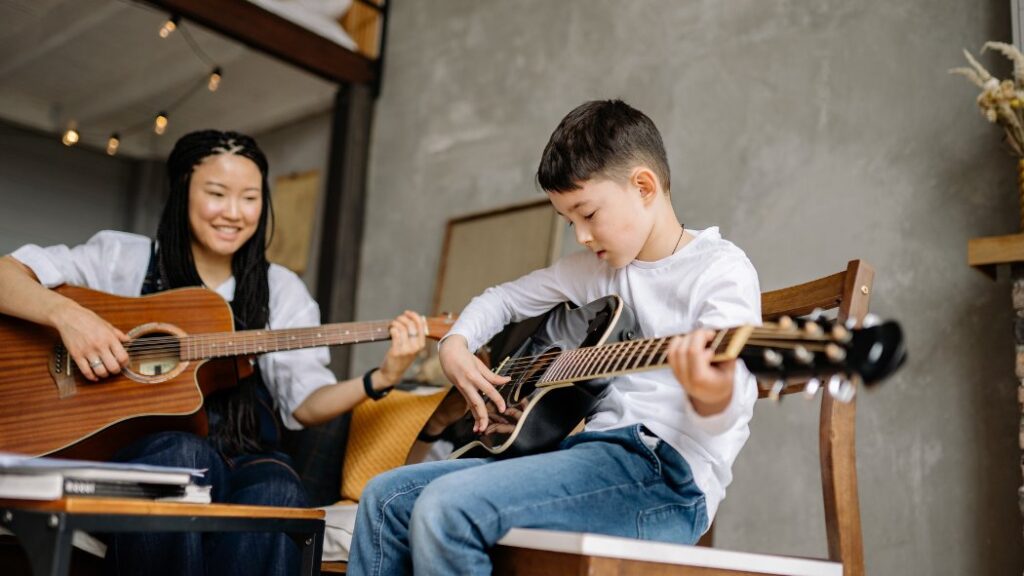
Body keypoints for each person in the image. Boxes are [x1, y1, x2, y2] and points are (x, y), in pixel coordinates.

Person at [346, 99, 762, 575]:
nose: (581, 236)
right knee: (385, 499)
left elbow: (728, 407)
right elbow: (502, 300)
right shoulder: (598, 269)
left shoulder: (720, 270)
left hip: (665, 479)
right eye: (570, 221)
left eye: (588, 214)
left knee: (447, 507)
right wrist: (454, 345)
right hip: (588, 458)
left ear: (643, 186)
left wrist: (711, 393)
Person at [0, 130, 428, 576]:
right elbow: (5, 274)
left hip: (246, 455)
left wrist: (379, 379)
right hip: (139, 454)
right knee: (182, 458)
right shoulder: (121, 257)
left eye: (249, 197)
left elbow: (305, 405)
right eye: (217, 194)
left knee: (281, 491)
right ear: (183, 191)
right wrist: (68, 317)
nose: (233, 213)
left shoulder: (279, 289)